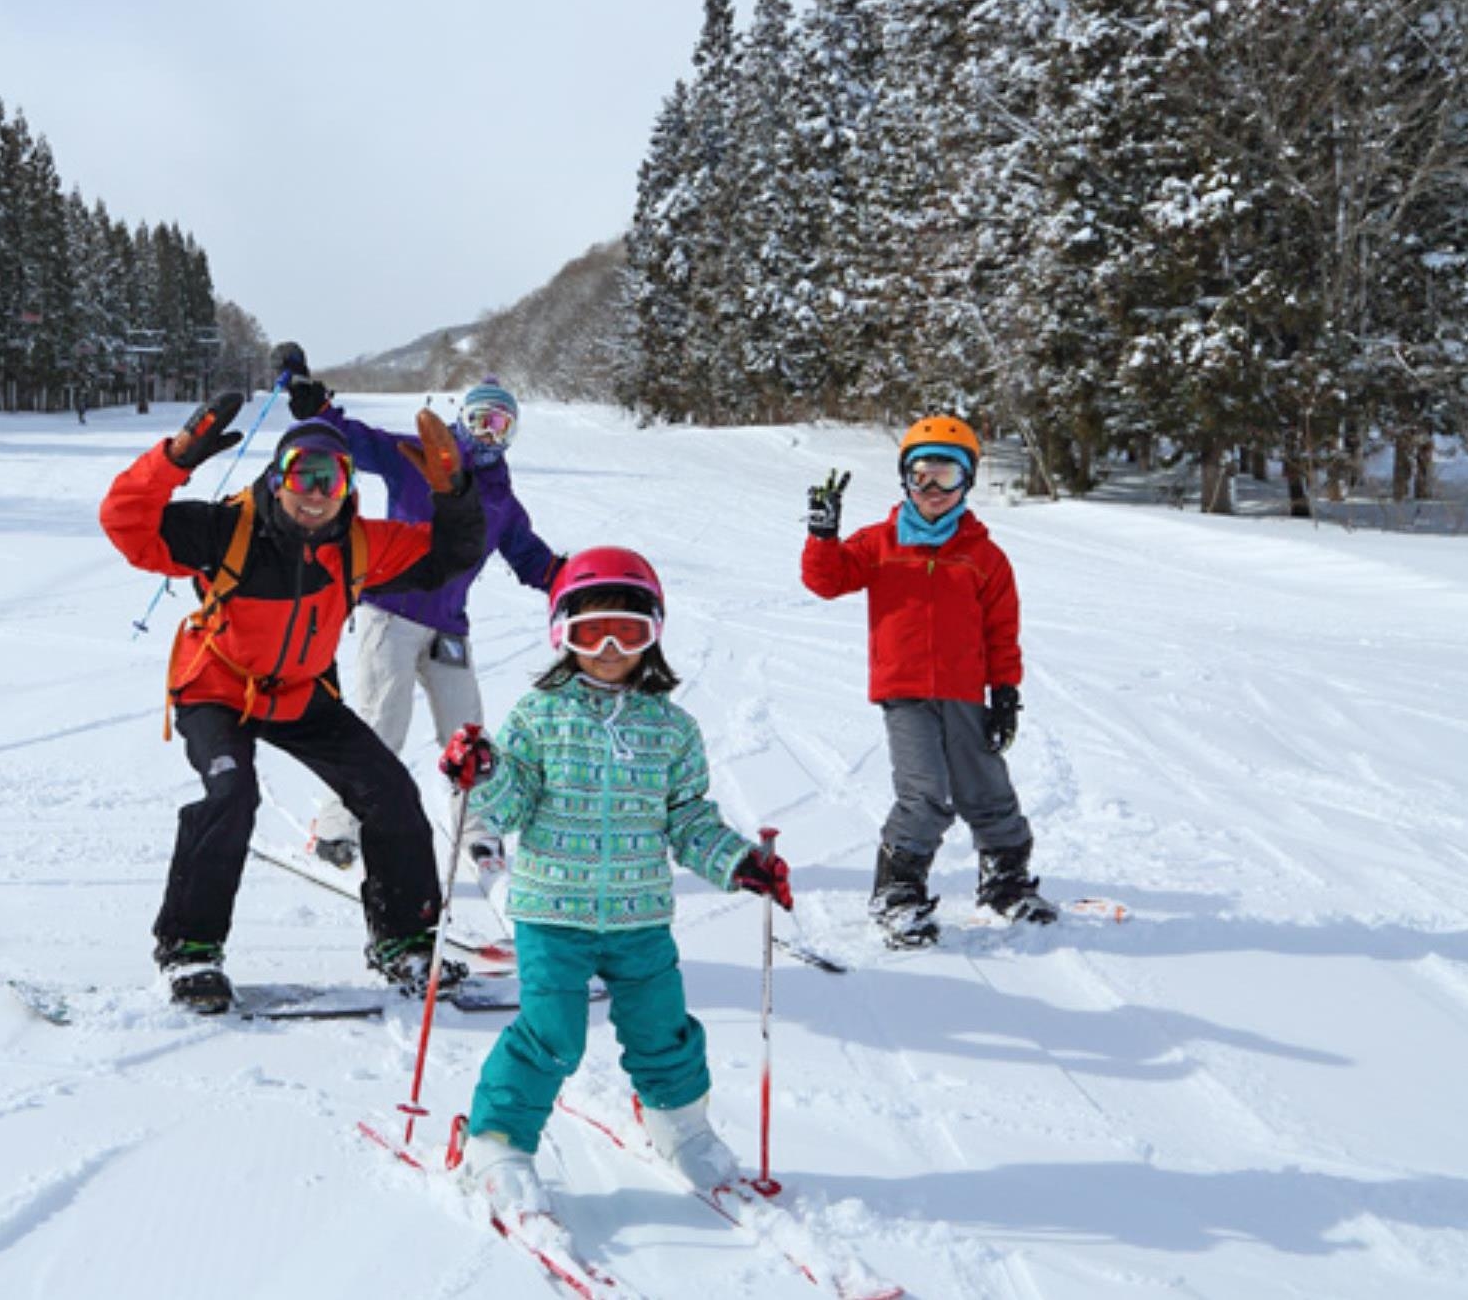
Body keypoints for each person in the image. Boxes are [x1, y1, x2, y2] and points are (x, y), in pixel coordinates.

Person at [99, 369, 489, 1014]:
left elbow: (451, 555)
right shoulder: (225, 530)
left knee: (390, 791)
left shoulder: (363, 544)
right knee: (231, 794)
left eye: (329, 480)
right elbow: (126, 525)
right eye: (301, 476)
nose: (314, 494)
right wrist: (175, 459)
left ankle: (406, 941)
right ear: (278, 478)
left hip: (299, 693)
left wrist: (453, 493)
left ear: (348, 488)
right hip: (216, 687)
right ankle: (190, 951)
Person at [435, 546, 794, 1220]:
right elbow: (509, 803)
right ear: (561, 634)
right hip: (551, 913)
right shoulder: (539, 717)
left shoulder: (672, 729)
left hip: (640, 920)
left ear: (653, 636)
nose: (607, 647)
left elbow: (688, 819)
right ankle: (497, 1140)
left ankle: (679, 1125)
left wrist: (739, 861)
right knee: (552, 1032)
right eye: (589, 630)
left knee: (664, 1029)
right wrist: (483, 772)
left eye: (628, 632)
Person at [288, 375, 561, 875]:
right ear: (462, 418)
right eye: (480, 420)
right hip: (390, 611)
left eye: (500, 425)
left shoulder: (499, 494)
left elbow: (526, 553)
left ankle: (478, 832)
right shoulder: (417, 456)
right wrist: (319, 411)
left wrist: (565, 580)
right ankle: (338, 824)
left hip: (448, 626)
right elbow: (361, 442)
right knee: (381, 724)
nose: (487, 434)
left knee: (468, 735)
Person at [799, 415, 1054, 949]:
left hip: (965, 690)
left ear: (967, 482)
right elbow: (827, 581)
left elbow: (1002, 631)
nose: (932, 490)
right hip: (905, 693)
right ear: (904, 480)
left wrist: (1004, 691)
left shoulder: (984, 556)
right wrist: (823, 536)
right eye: (921, 477)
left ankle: (1005, 880)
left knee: (986, 786)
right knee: (925, 792)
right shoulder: (880, 542)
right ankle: (898, 893)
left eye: (946, 477)